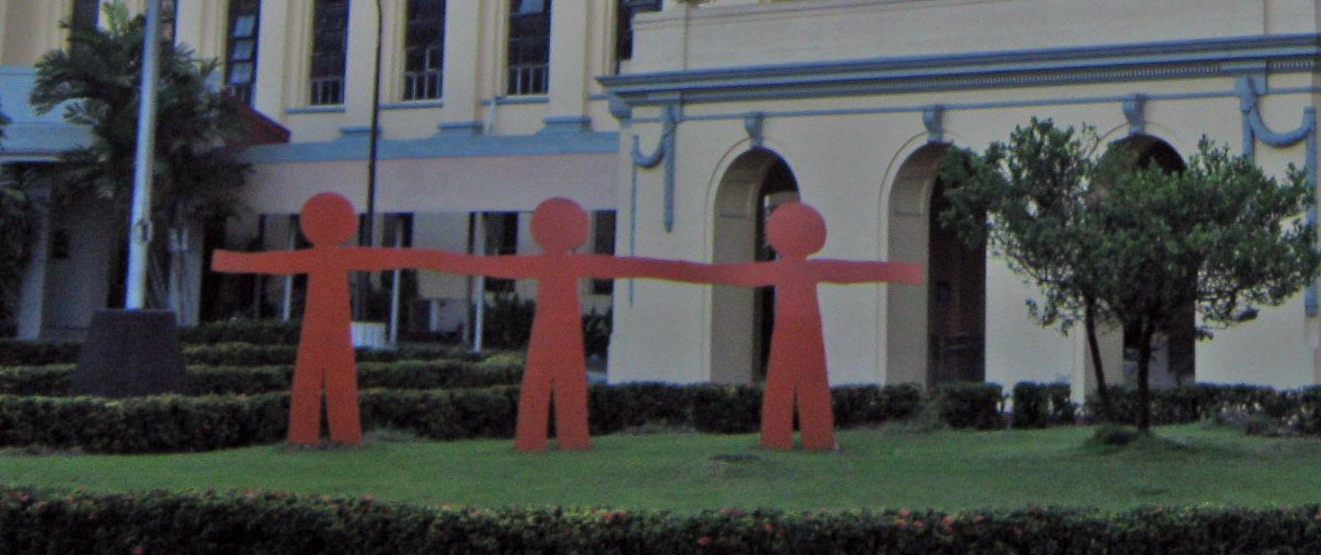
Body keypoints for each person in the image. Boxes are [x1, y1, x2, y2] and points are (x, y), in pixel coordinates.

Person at [448, 196, 713, 451]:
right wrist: (684, 270)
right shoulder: (574, 262)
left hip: (557, 338)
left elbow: (470, 264)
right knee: (553, 382)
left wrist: (684, 270)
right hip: (555, 337)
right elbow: (632, 266)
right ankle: (555, 438)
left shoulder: (552, 262)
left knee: (550, 382)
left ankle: (551, 438)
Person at [209, 191, 457, 445]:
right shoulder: (339, 256)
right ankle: (326, 435)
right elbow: (413, 257)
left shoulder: (321, 257)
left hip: (326, 331)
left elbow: (261, 262)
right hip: (322, 330)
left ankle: (324, 436)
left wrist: (226, 260)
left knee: (325, 377)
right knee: (329, 378)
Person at [684, 200, 918, 451]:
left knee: (786, 384)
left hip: (797, 331)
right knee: (803, 383)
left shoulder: (784, 268)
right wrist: (905, 272)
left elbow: (721, 274)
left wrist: (906, 272)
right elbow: (858, 271)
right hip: (803, 331)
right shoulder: (811, 268)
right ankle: (805, 438)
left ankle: (790, 439)